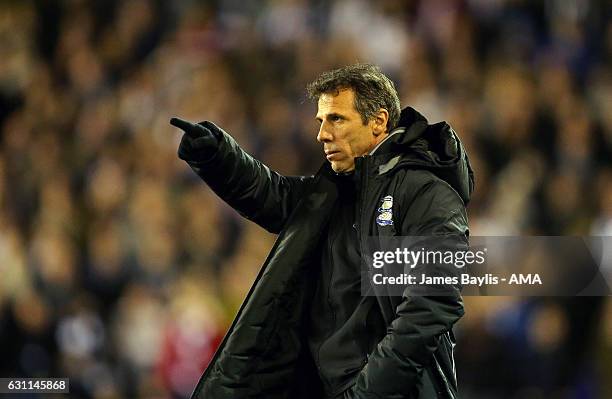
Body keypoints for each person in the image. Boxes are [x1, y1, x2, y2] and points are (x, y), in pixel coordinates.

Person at [170, 64, 474, 399]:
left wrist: (366, 392)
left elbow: (431, 304)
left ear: (378, 121)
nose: (322, 134)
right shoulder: (337, 191)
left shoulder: (425, 194)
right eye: (321, 121)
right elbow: (276, 196)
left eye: (336, 119)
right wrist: (217, 155)